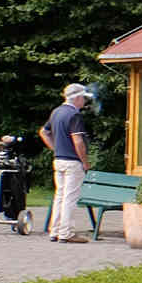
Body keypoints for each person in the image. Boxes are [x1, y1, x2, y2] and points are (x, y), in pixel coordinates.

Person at [37, 82, 94, 243]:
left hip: (59, 160)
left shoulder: (57, 112)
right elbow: (78, 141)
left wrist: (55, 149)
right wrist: (85, 162)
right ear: (76, 98)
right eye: (83, 98)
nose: (84, 101)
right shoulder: (74, 115)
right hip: (72, 162)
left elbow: (44, 132)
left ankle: (54, 231)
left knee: (60, 196)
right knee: (70, 198)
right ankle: (66, 233)